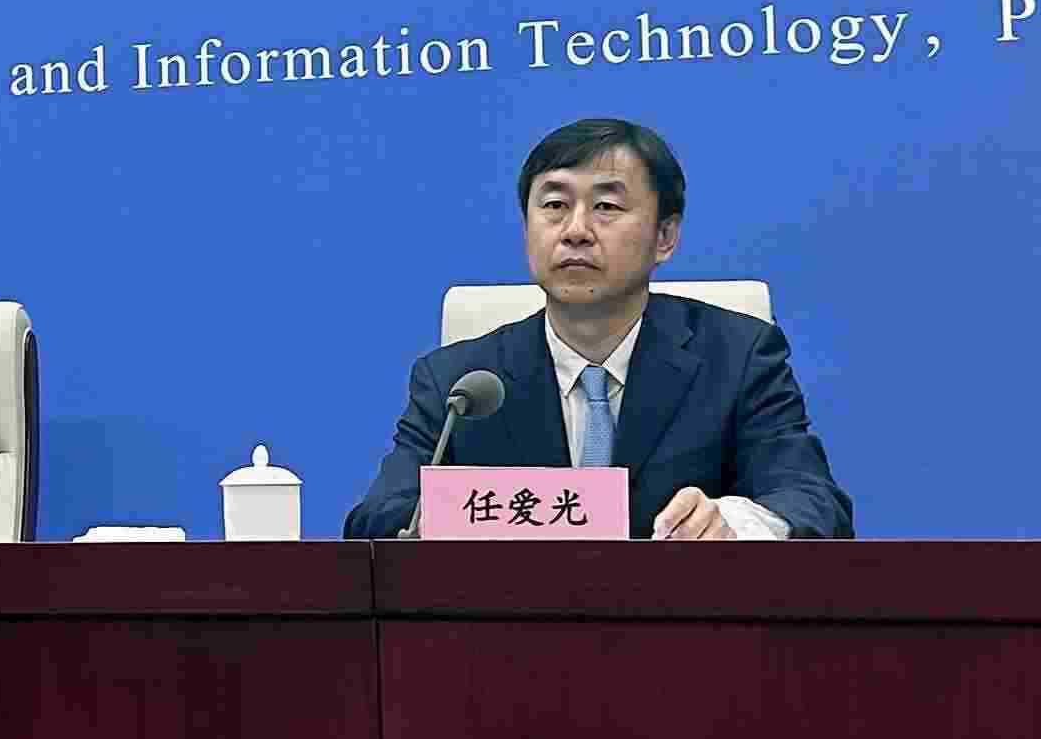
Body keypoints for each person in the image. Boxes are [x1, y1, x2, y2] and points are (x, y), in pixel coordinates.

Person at [342, 117, 852, 541]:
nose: (576, 231)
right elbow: (376, 516)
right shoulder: (460, 382)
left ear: (665, 236)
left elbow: (811, 499)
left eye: (606, 207)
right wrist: (443, 521)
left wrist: (734, 522)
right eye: (554, 206)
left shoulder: (738, 356)